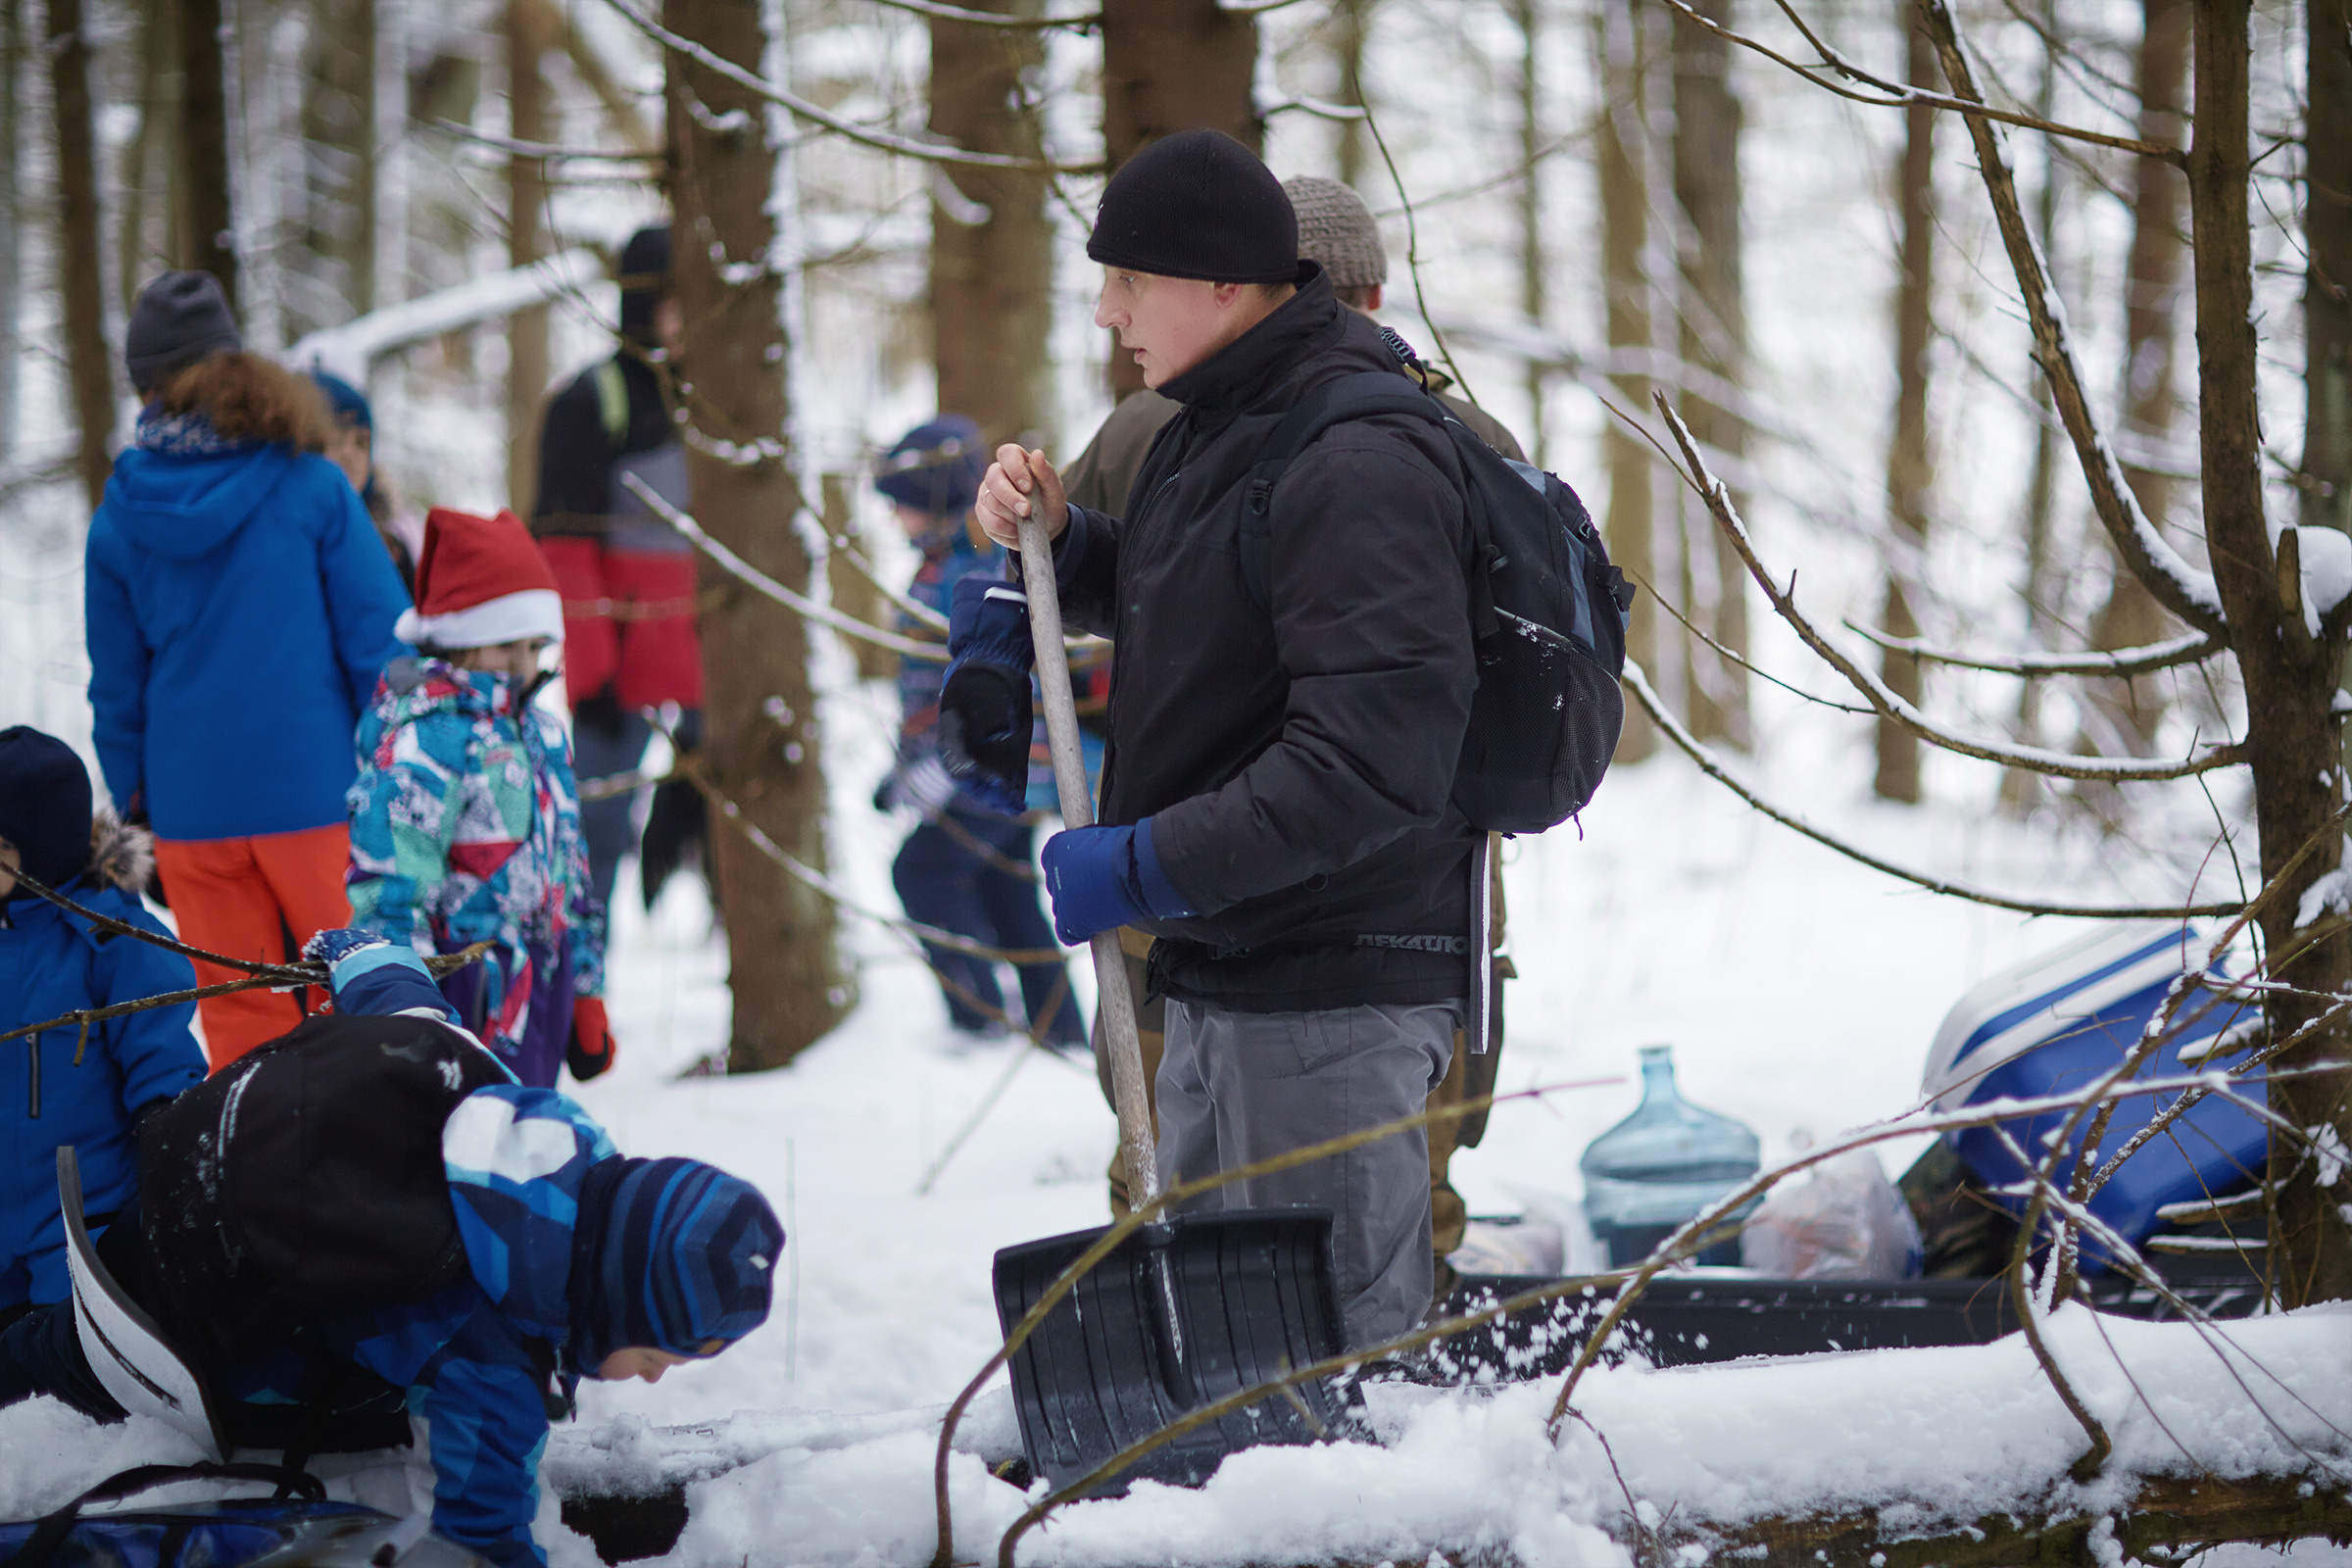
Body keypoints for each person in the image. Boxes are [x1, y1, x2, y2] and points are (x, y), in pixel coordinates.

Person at [973, 130, 1479, 1351]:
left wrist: (1139, 868)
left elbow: (1365, 764)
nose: (1107, 313)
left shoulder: (1356, 455)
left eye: (1127, 281)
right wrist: (1064, 540)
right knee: (1234, 1382)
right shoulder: (1222, 423)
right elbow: (1205, 601)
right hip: (1225, 975)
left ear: (1217, 283)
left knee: (1330, 1391)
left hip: (1327, 997)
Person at [0, 933, 777, 1568]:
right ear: (615, 1303)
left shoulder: (495, 1097)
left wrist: (364, 950)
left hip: (174, 1185)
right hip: (176, 1333)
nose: (651, 1378)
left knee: (34, 1347)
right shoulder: (494, 1364)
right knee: (60, 1367)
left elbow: (406, 1002)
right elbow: (482, 1538)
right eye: (654, 1356)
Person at [85, 270, 411, 1069]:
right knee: (361, 1005)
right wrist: (402, 777)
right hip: (319, 801)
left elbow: (117, 696)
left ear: (147, 390)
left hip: (194, 815)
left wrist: (141, 818)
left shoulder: (120, 517)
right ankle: (366, 1181)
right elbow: (383, 648)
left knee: (243, 1038)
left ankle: (264, 1186)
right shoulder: (313, 487)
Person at [347, 507, 613, 1089]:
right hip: (462, 987)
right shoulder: (425, 740)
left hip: (544, 980)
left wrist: (587, 985)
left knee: (532, 1144)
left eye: (534, 648)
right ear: (459, 642)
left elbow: (574, 867)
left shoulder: (542, 732)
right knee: (462, 1149)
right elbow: (390, 887)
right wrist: (411, 1013)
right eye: (504, 648)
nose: (522, 667)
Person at [875, 416, 1087, 1052]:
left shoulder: (968, 573)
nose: (895, 519)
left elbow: (989, 681)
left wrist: (943, 769)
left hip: (997, 763)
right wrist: (904, 770)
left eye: (904, 506)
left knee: (923, 873)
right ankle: (1063, 1033)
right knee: (1006, 891)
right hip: (994, 768)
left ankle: (979, 1022)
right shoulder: (938, 569)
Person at [531, 224, 708, 917]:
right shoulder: (587, 403)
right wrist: (594, 674)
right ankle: (579, 999)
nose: (686, 316)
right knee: (597, 840)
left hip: (711, 668)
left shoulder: (726, 400)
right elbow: (566, 558)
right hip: (623, 676)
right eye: (671, 300)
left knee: (726, 838)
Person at [0, 728, 205, 1323]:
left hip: (78, 1215)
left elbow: (162, 1054)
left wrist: (163, 1127)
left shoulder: (112, 940)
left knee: (61, 1366)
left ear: (41, 855)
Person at [311, 368, 424, 596]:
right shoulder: (289, 533)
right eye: (336, 439)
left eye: (361, 443)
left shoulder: (392, 546)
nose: (349, 453)